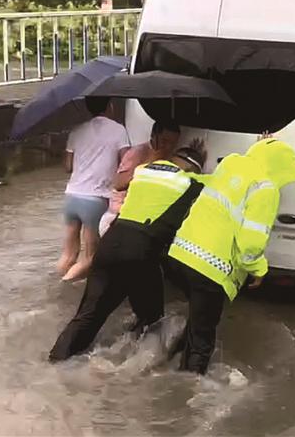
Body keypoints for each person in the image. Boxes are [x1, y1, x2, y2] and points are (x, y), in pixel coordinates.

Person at [48, 145, 207, 362]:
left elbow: (119, 184)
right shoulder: (192, 184)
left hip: (110, 243)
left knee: (88, 315)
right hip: (141, 250)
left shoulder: (144, 171)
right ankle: (140, 369)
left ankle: (55, 362)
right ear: (194, 169)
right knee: (153, 318)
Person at [167, 138, 295, 374]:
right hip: (210, 269)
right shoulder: (266, 188)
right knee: (202, 340)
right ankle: (185, 395)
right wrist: (258, 270)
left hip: (179, 255)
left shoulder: (230, 164)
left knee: (197, 321)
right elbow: (251, 242)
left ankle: (166, 362)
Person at [57, 97, 130, 282]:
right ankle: (65, 284)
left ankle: (59, 283)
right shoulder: (118, 130)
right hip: (95, 199)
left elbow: (67, 167)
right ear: (110, 106)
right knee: (90, 257)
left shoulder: (76, 130)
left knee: (68, 254)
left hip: (72, 196)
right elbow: (126, 163)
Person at [98, 121, 182, 237]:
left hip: (138, 220)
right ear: (153, 136)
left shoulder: (169, 157)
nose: (168, 147)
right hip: (118, 218)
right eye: (164, 141)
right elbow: (118, 184)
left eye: (172, 144)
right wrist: (148, 166)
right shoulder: (138, 153)